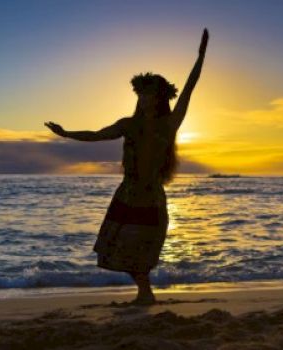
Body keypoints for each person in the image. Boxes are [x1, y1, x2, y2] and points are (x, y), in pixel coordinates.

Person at [45, 28, 208, 305]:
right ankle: (145, 293)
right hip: (127, 193)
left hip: (151, 195)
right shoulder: (128, 124)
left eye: (149, 95)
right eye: (141, 95)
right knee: (117, 245)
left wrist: (200, 57)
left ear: (159, 98)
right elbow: (96, 134)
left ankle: (145, 294)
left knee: (142, 247)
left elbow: (189, 89)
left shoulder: (169, 124)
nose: (144, 99)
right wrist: (67, 133)